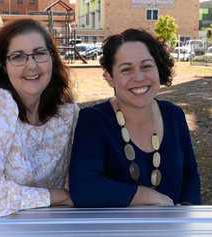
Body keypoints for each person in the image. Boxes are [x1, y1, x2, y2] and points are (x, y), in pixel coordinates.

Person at [0, 19, 78, 216]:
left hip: (42, 226)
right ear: (3, 65)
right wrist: (57, 196)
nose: (31, 65)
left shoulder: (67, 113)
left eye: (39, 53)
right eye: (18, 57)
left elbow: (76, 184)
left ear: (52, 58)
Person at [69, 28, 201, 207]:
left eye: (146, 66)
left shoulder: (174, 115)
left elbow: (190, 176)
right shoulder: (93, 121)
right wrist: (146, 196)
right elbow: (83, 188)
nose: (138, 77)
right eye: (126, 69)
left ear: (158, 68)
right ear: (109, 77)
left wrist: (185, 212)